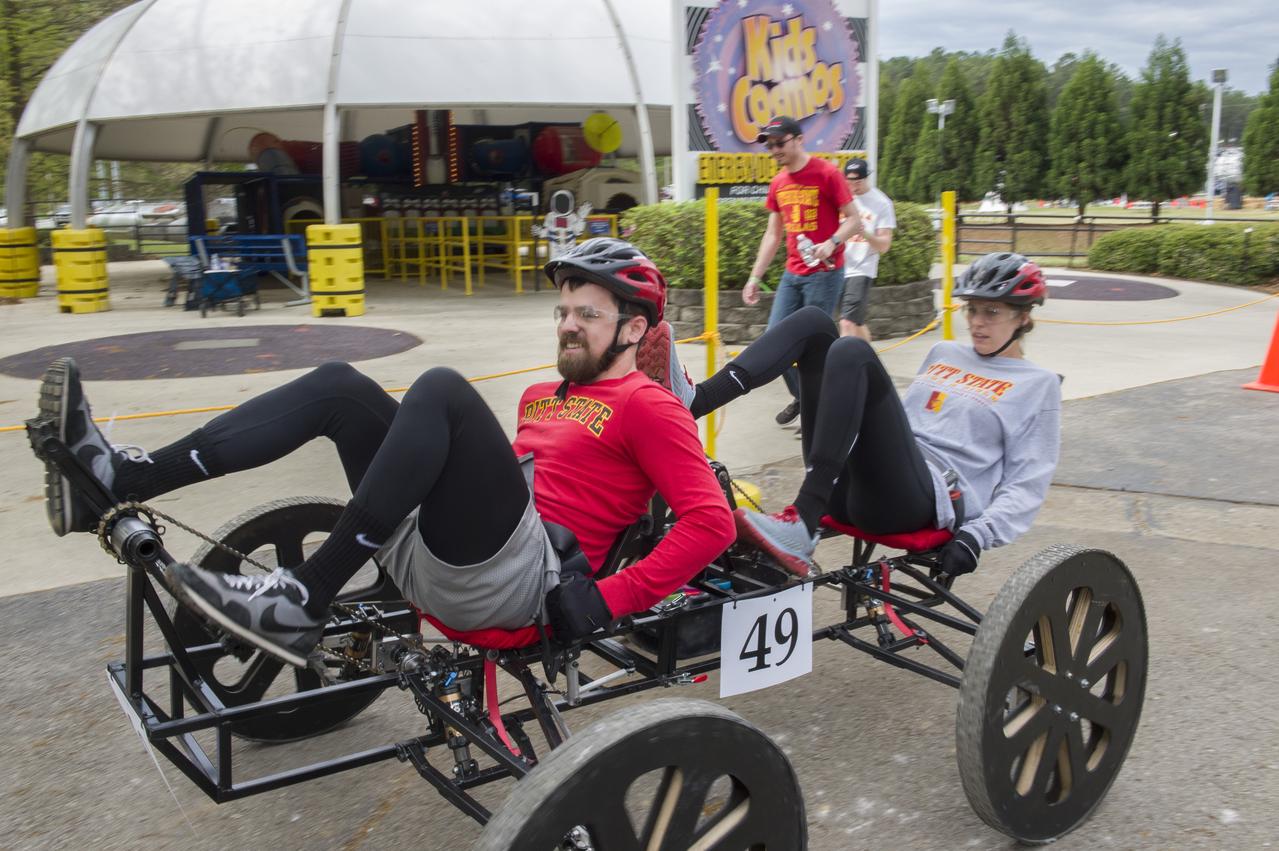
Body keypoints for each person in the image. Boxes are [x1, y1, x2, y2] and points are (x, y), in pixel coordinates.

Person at [36, 238, 735, 667]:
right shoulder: (538, 397)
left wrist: (607, 601)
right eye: (562, 309)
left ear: (633, 326)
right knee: (342, 387)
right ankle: (123, 476)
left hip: (532, 589)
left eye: (588, 313)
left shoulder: (651, 407)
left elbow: (712, 522)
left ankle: (303, 594)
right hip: (441, 558)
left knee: (441, 391)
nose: (567, 323)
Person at [687, 251, 1060, 577]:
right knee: (815, 323)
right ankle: (690, 403)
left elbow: (1026, 484)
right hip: (851, 483)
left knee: (851, 351)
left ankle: (803, 521)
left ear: (1024, 318)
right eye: (972, 310)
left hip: (916, 499)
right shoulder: (945, 353)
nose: (977, 322)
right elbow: (901, 421)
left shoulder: (1036, 384)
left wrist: (976, 537)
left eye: (992, 312)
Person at [740, 116, 864, 428]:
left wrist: (831, 241)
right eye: (769, 145)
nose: (774, 149)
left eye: (779, 142)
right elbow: (773, 234)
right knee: (774, 340)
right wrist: (755, 277)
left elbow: (854, 220)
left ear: (798, 139)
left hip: (824, 272)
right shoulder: (778, 183)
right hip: (791, 274)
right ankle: (808, 398)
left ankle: (823, 409)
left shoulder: (827, 173)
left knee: (809, 345)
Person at [838, 158, 896, 342]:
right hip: (838, 266)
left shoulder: (881, 203)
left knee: (846, 323)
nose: (853, 187)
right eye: (849, 181)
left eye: (858, 182)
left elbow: (884, 245)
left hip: (862, 268)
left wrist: (865, 233)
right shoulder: (842, 197)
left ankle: (843, 367)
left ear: (866, 178)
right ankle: (870, 361)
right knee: (857, 322)